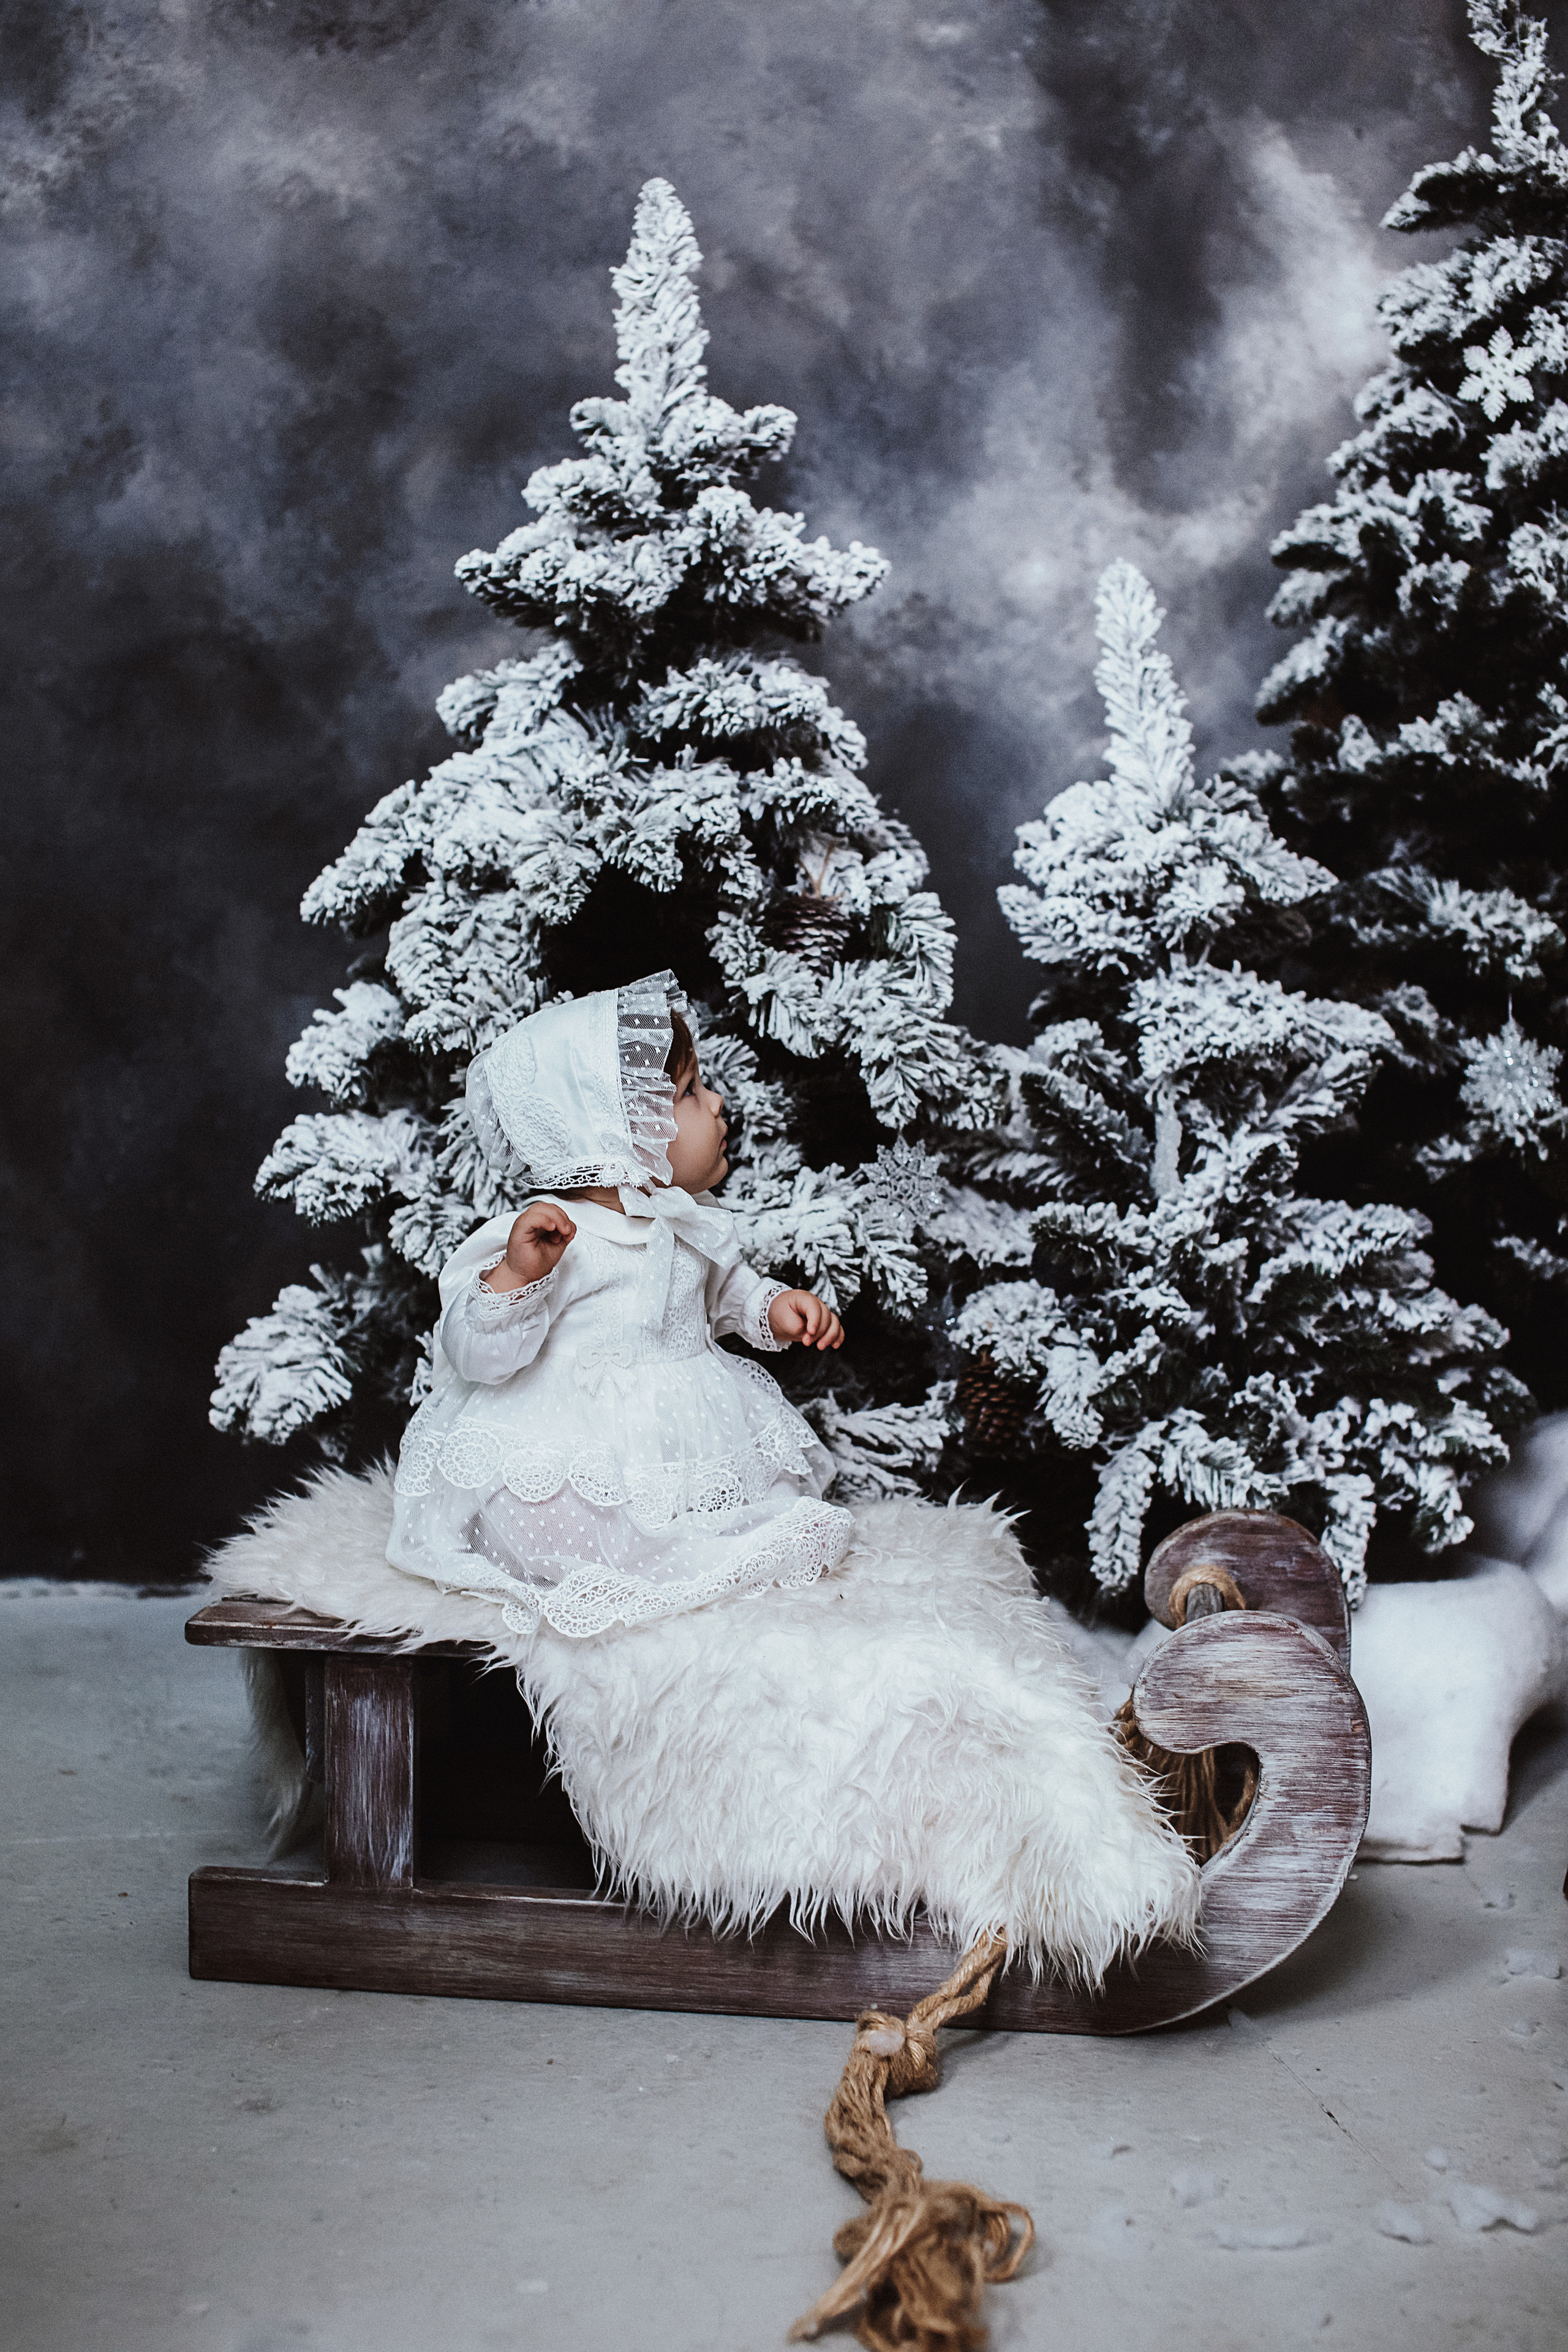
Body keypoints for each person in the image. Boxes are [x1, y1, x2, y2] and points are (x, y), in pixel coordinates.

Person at [386, 970, 854, 1637]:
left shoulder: (687, 1220)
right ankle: (635, 1562)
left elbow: (726, 1290)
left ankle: (699, 1552)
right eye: (691, 1092)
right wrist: (516, 1277)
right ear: (614, 1132)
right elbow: (477, 1357)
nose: (719, 1104)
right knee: (563, 1516)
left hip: (685, 1433)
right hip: (575, 1442)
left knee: (750, 1505)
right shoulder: (550, 1235)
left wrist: (774, 1309)